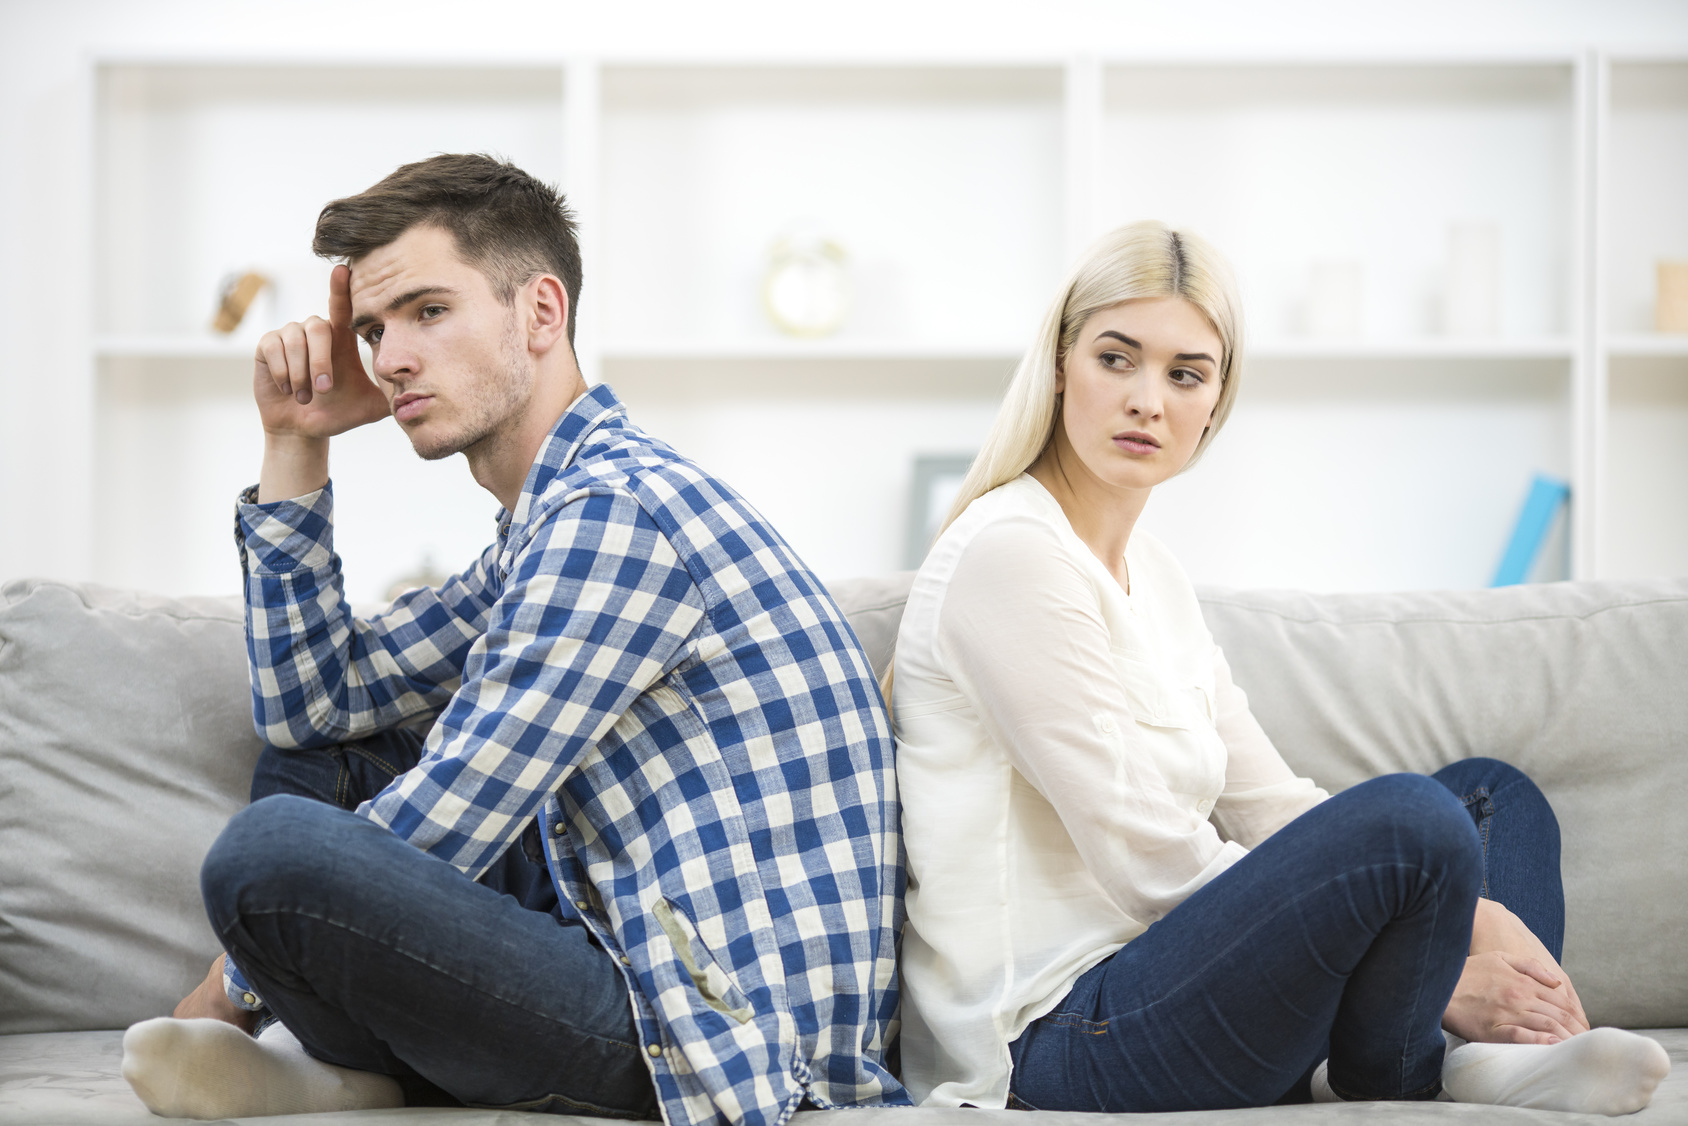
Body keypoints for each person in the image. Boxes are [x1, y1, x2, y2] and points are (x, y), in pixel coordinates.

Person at [118, 154, 909, 1126]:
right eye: (372, 329)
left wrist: (226, 990)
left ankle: (324, 1061)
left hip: (716, 1032)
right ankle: (351, 1074)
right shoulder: (544, 525)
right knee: (321, 772)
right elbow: (309, 706)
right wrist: (297, 442)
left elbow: (454, 812)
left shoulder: (616, 513)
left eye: (427, 311)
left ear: (540, 312)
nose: (390, 357)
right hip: (615, 942)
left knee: (268, 853)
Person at [888, 220, 1671, 1115]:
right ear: (1061, 364)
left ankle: (1488, 1056)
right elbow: (1150, 860)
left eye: (1186, 374)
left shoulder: (1160, 580)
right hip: (1063, 1036)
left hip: (1178, 986)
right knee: (1415, 823)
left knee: (1490, 801)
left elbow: (1270, 804)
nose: (1149, 399)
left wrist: (1479, 917)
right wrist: (1444, 962)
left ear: (1214, 405)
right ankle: (1428, 1057)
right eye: (1118, 359)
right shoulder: (1011, 556)